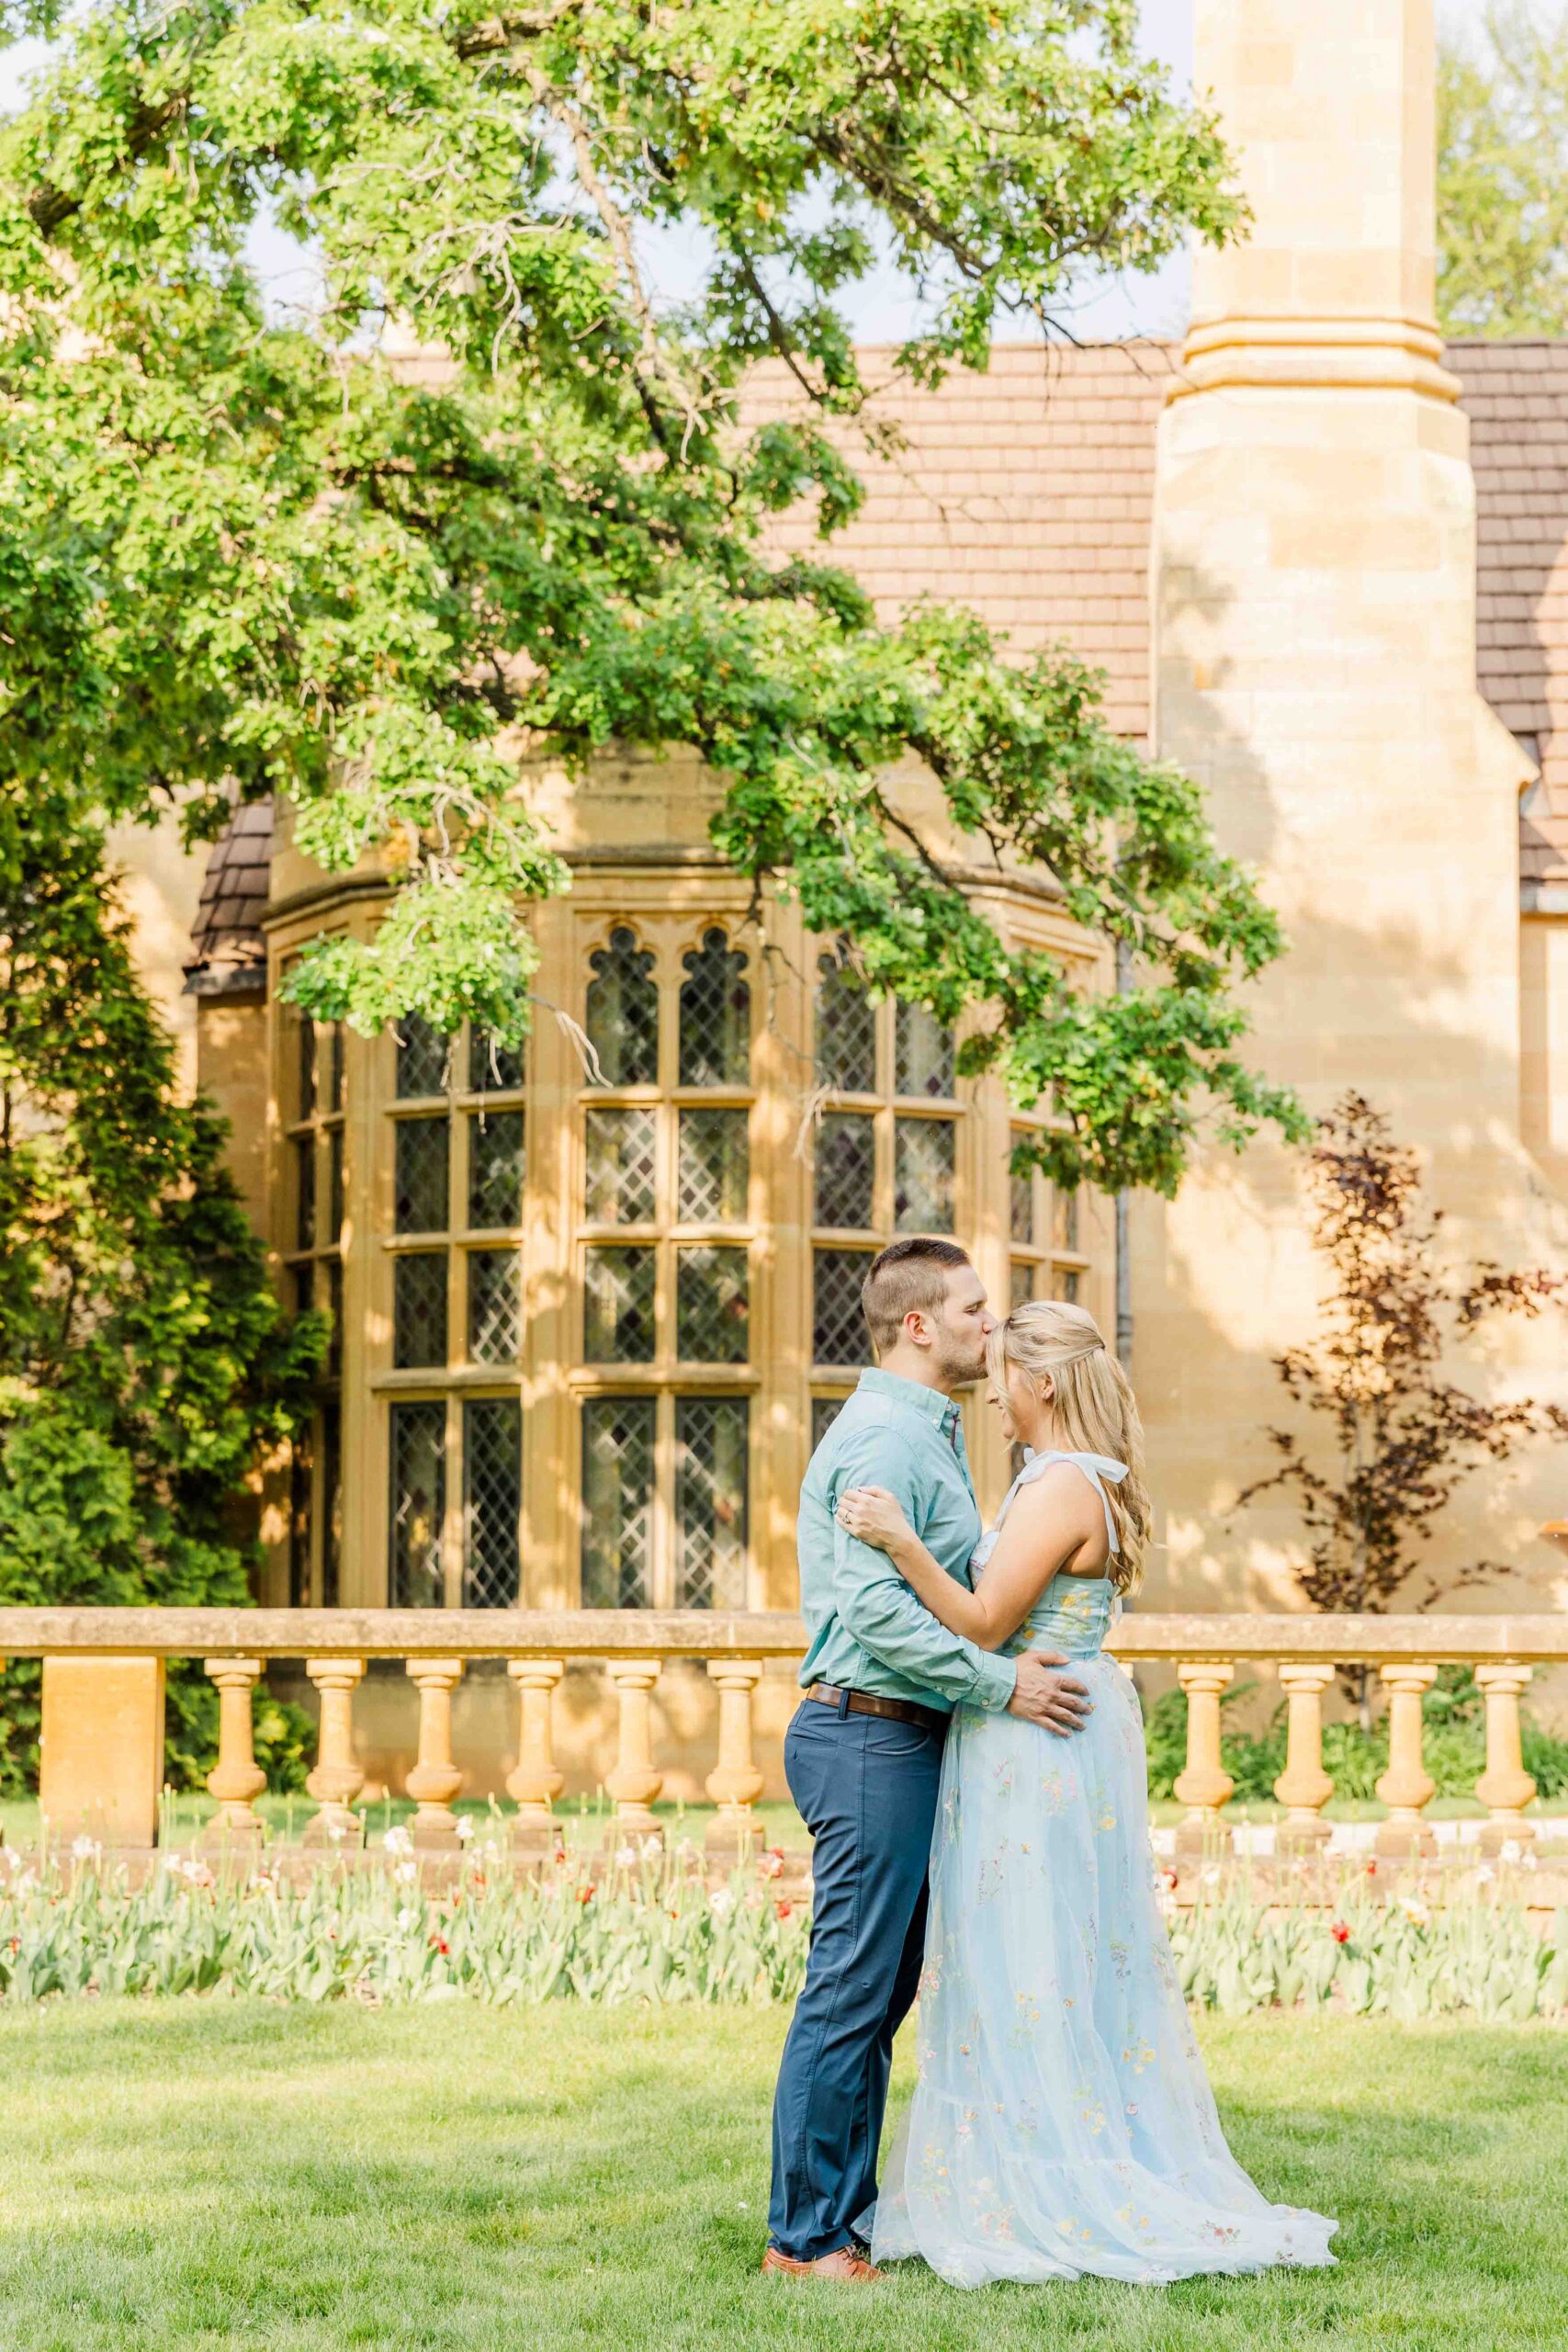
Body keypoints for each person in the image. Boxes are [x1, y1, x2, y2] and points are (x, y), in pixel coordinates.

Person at [835, 1297, 1338, 2288]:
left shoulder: (1065, 1484)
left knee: (1028, 1952)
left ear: (1045, 1383)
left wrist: (899, 1539)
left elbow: (983, 1623)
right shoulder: (1062, 1477)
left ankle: (1043, 2184)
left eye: (1006, 1382)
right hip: (1036, 1730)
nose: (995, 1401)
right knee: (1027, 1951)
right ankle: (1018, 2164)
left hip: (1035, 1741)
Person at [762, 1238, 1095, 2285]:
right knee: (850, 1992)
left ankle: (837, 2222)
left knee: (881, 1989)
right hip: (864, 1732)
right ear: (918, 1324)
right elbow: (873, 1612)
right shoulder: (882, 1440)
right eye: (973, 1308)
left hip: (901, 1735)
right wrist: (1004, 1686)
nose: (988, 1326)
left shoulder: (927, 1432)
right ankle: (804, 2239)